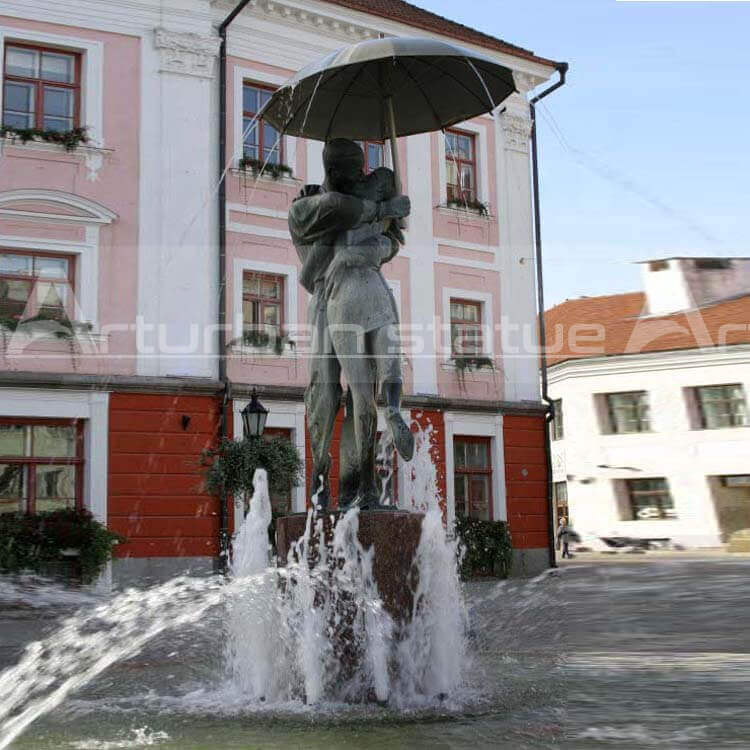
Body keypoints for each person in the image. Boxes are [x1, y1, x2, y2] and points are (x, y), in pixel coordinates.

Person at [288, 139, 413, 509]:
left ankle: (360, 484)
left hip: (357, 288)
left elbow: (393, 241)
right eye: (351, 167)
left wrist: (380, 239)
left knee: (363, 390)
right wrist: (383, 207)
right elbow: (338, 209)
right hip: (326, 300)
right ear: (332, 169)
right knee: (324, 394)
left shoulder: (366, 194)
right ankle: (321, 476)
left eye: (362, 166)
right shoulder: (305, 206)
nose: (360, 173)